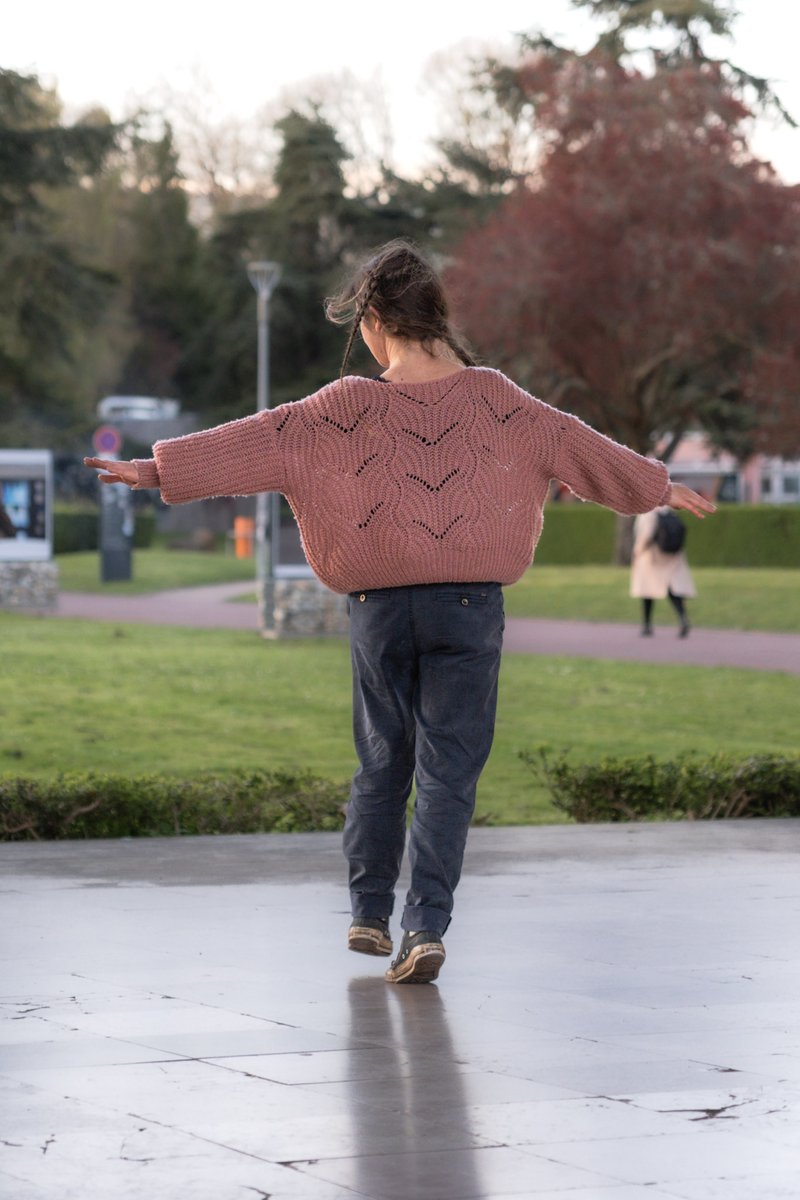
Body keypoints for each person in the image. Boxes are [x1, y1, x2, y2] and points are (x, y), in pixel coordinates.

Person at [85, 238, 715, 984]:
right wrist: (655, 486)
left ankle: (367, 912)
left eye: (365, 326)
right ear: (438, 317)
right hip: (469, 608)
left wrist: (154, 471)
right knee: (450, 769)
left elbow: (254, 441)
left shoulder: (338, 409)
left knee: (383, 759)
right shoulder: (501, 398)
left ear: (377, 318)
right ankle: (426, 927)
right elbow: (576, 443)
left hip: (378, 609)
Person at [630, 506, 697, 637]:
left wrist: (637, 551)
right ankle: (683, 618)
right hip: (672, 557)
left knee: (647, 590)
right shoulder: (669, 511)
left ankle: (647, 625)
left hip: (653, 557)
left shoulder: (648, 513)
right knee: (673, 589)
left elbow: (646, 535)